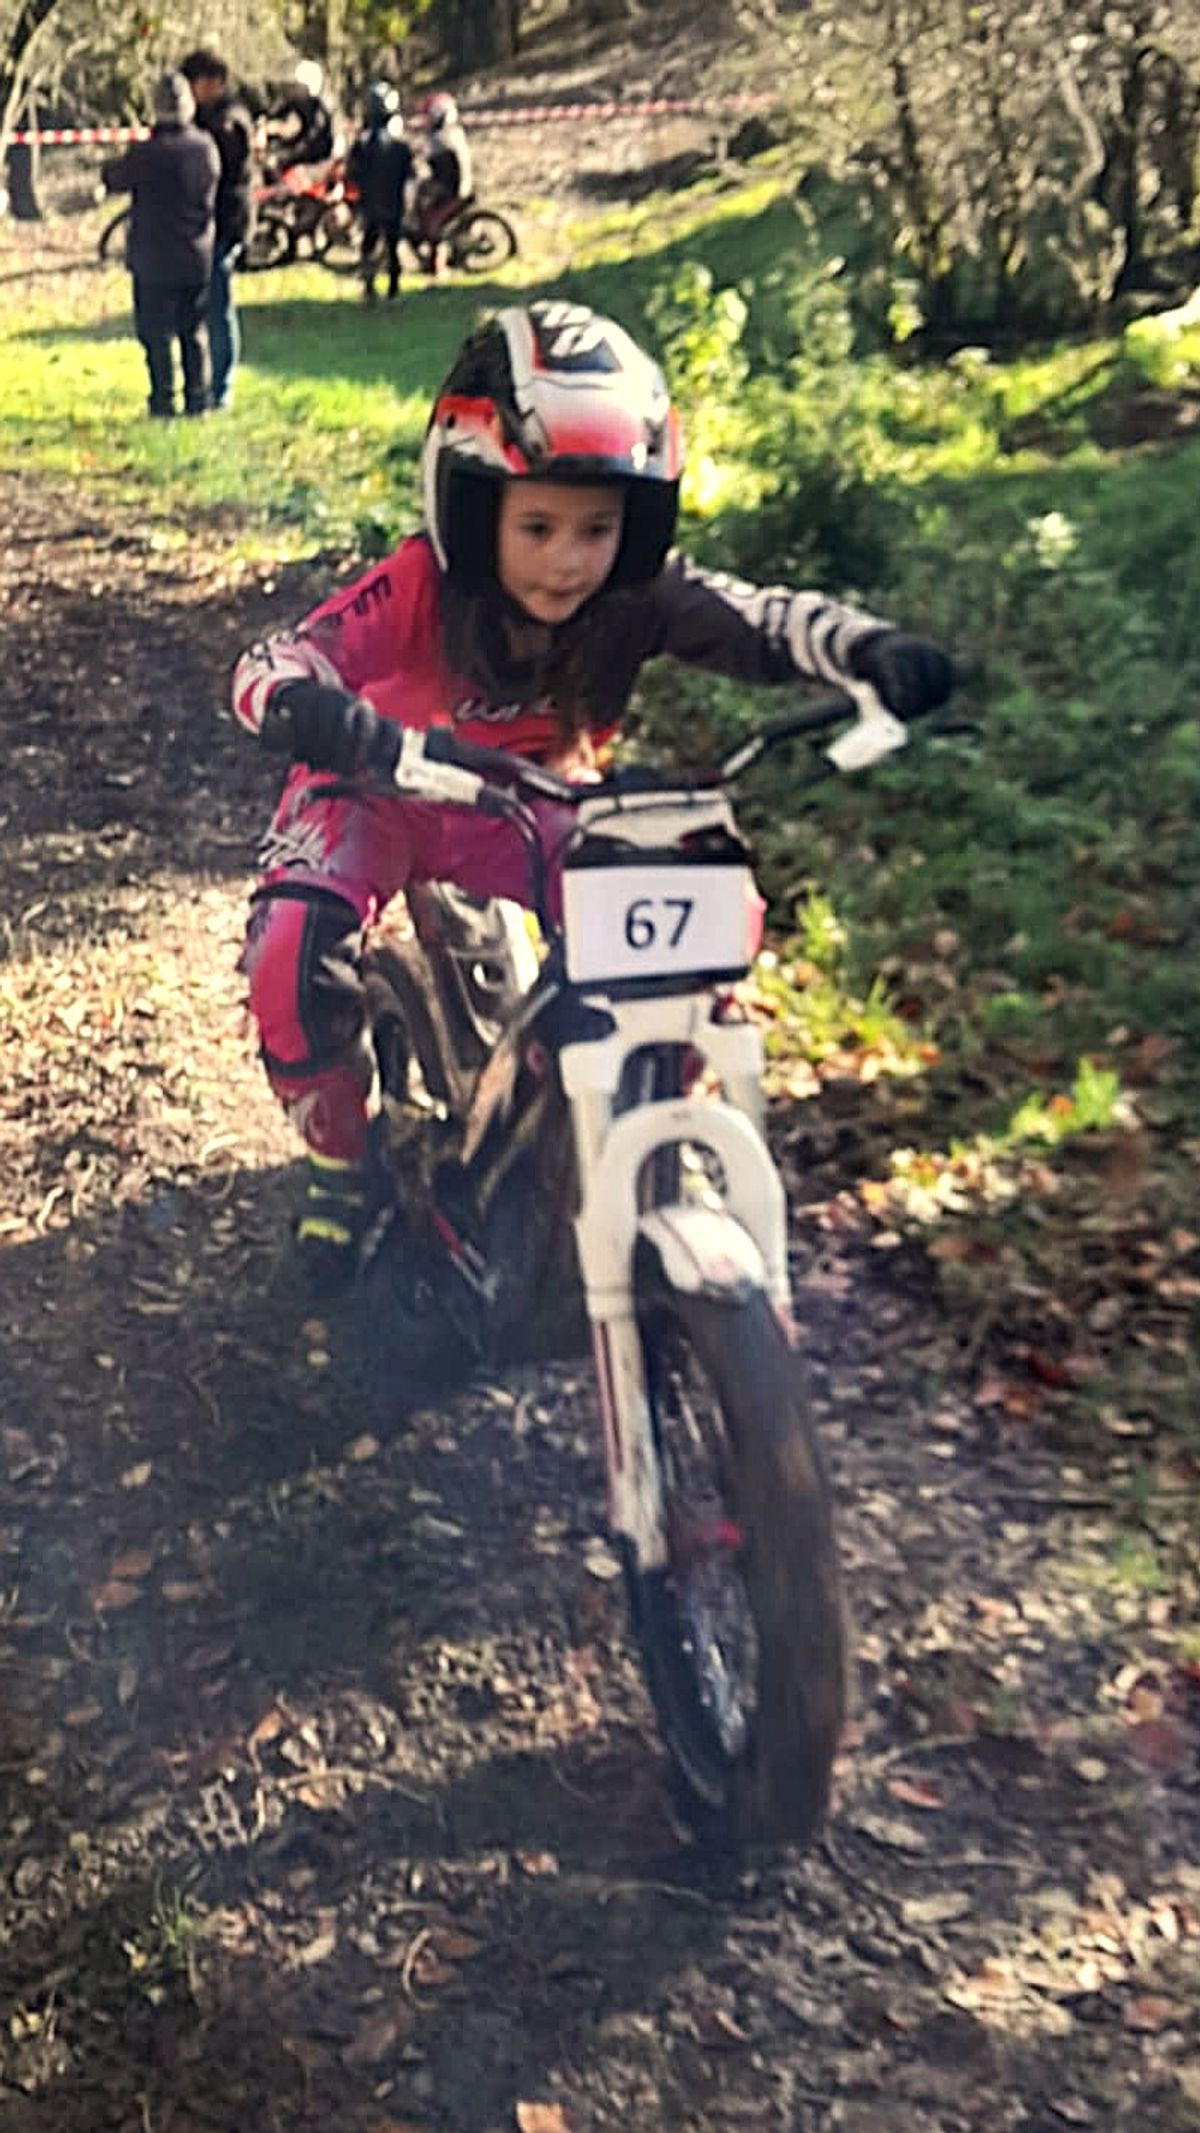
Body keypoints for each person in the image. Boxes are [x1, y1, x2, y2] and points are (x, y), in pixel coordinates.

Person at [231, 300, 954, 1293]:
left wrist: (871, 648)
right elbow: (280, 655)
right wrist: (307, 707)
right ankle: (338, 1165)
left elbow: (764, 622)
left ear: (639, 524)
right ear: (472, 507)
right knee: (292, 949)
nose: (569, 559)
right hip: (374, 786)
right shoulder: (416, 589)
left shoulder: (638, 596)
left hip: (532, 801)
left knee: (695, 912)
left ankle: (649, 1127)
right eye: (536, 525)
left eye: (598, 527)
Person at [102, 70, 220, 419]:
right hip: (196, 253)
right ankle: (198, 399)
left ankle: (163, 399)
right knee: (193, 331)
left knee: (155, 335)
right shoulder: (205, 148)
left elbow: (114, 177)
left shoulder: (148, 152)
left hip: (153, 255)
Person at [180, 48, 255, 411]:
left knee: (219, 307)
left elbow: (221, 175)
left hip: (225, 222)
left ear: (211, 84)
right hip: (208, 223)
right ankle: (207, 385)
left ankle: (221, 387)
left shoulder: (227, 124)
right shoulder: (209, 118)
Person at [345, 81, 414, 305]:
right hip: (394, 201)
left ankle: (369, 288)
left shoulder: (363, 144)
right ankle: (393, 290)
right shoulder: (400, 145)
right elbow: (409, 173)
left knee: (369, 244)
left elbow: (352, 171)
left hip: (370, 201)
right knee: (393, 246)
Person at [411, 89, 472, 275]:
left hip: (454, 188)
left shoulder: (442, 138)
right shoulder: (451, 133)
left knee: (432, 223)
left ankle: (437, 264)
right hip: (453, 184)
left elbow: (434, 160)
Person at [267, 58, 335, 174]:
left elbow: (309, 146)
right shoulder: (291, 106)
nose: (289, 90)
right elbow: (273, 121)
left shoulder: (318, 115)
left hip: (311, 171)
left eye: (295, 86)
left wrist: (280, 157)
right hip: (286, 166)